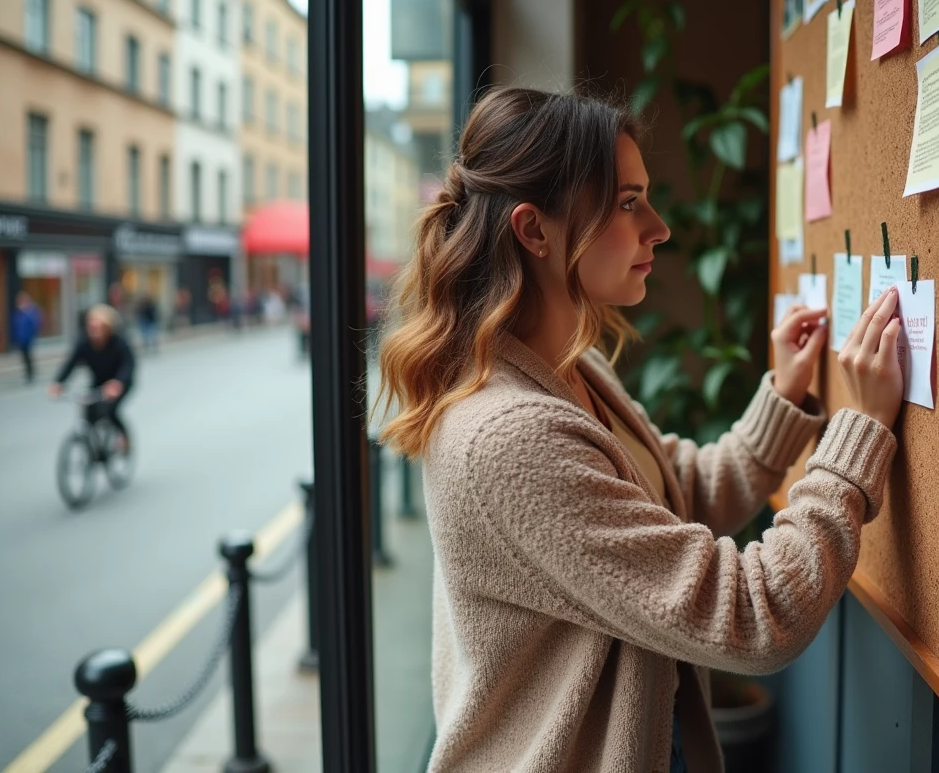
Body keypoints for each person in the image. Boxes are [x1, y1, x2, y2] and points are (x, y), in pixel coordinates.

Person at [376, 88, 905, 773]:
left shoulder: (571, 369)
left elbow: (676, 495)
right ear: (535, 231)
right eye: (629, 204)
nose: (659, 228)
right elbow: (753, 616)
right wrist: (859, 429)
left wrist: (783, 395)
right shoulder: (507, 438)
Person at [49, 304, 136, 450]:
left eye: (99, 328)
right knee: (89, 410)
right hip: (99, 381)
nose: (95, 332)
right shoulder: (84, 343)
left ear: (107, 328)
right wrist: (58, 382)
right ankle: (94, 446)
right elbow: (71, 363)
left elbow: (128, 364)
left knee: (110, 410)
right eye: (92, 327)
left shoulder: (118, 342)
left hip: (119, 382)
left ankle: (123, 437)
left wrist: (118, 382)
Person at [11, 291, 43, 383]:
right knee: (24, 358)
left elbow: (34, 324)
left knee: (28, 357)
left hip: (28, 339)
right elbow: (16, 326)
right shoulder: (18, 313)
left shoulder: (30, 312)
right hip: (21, 339)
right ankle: (28, 373)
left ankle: (30, 374)